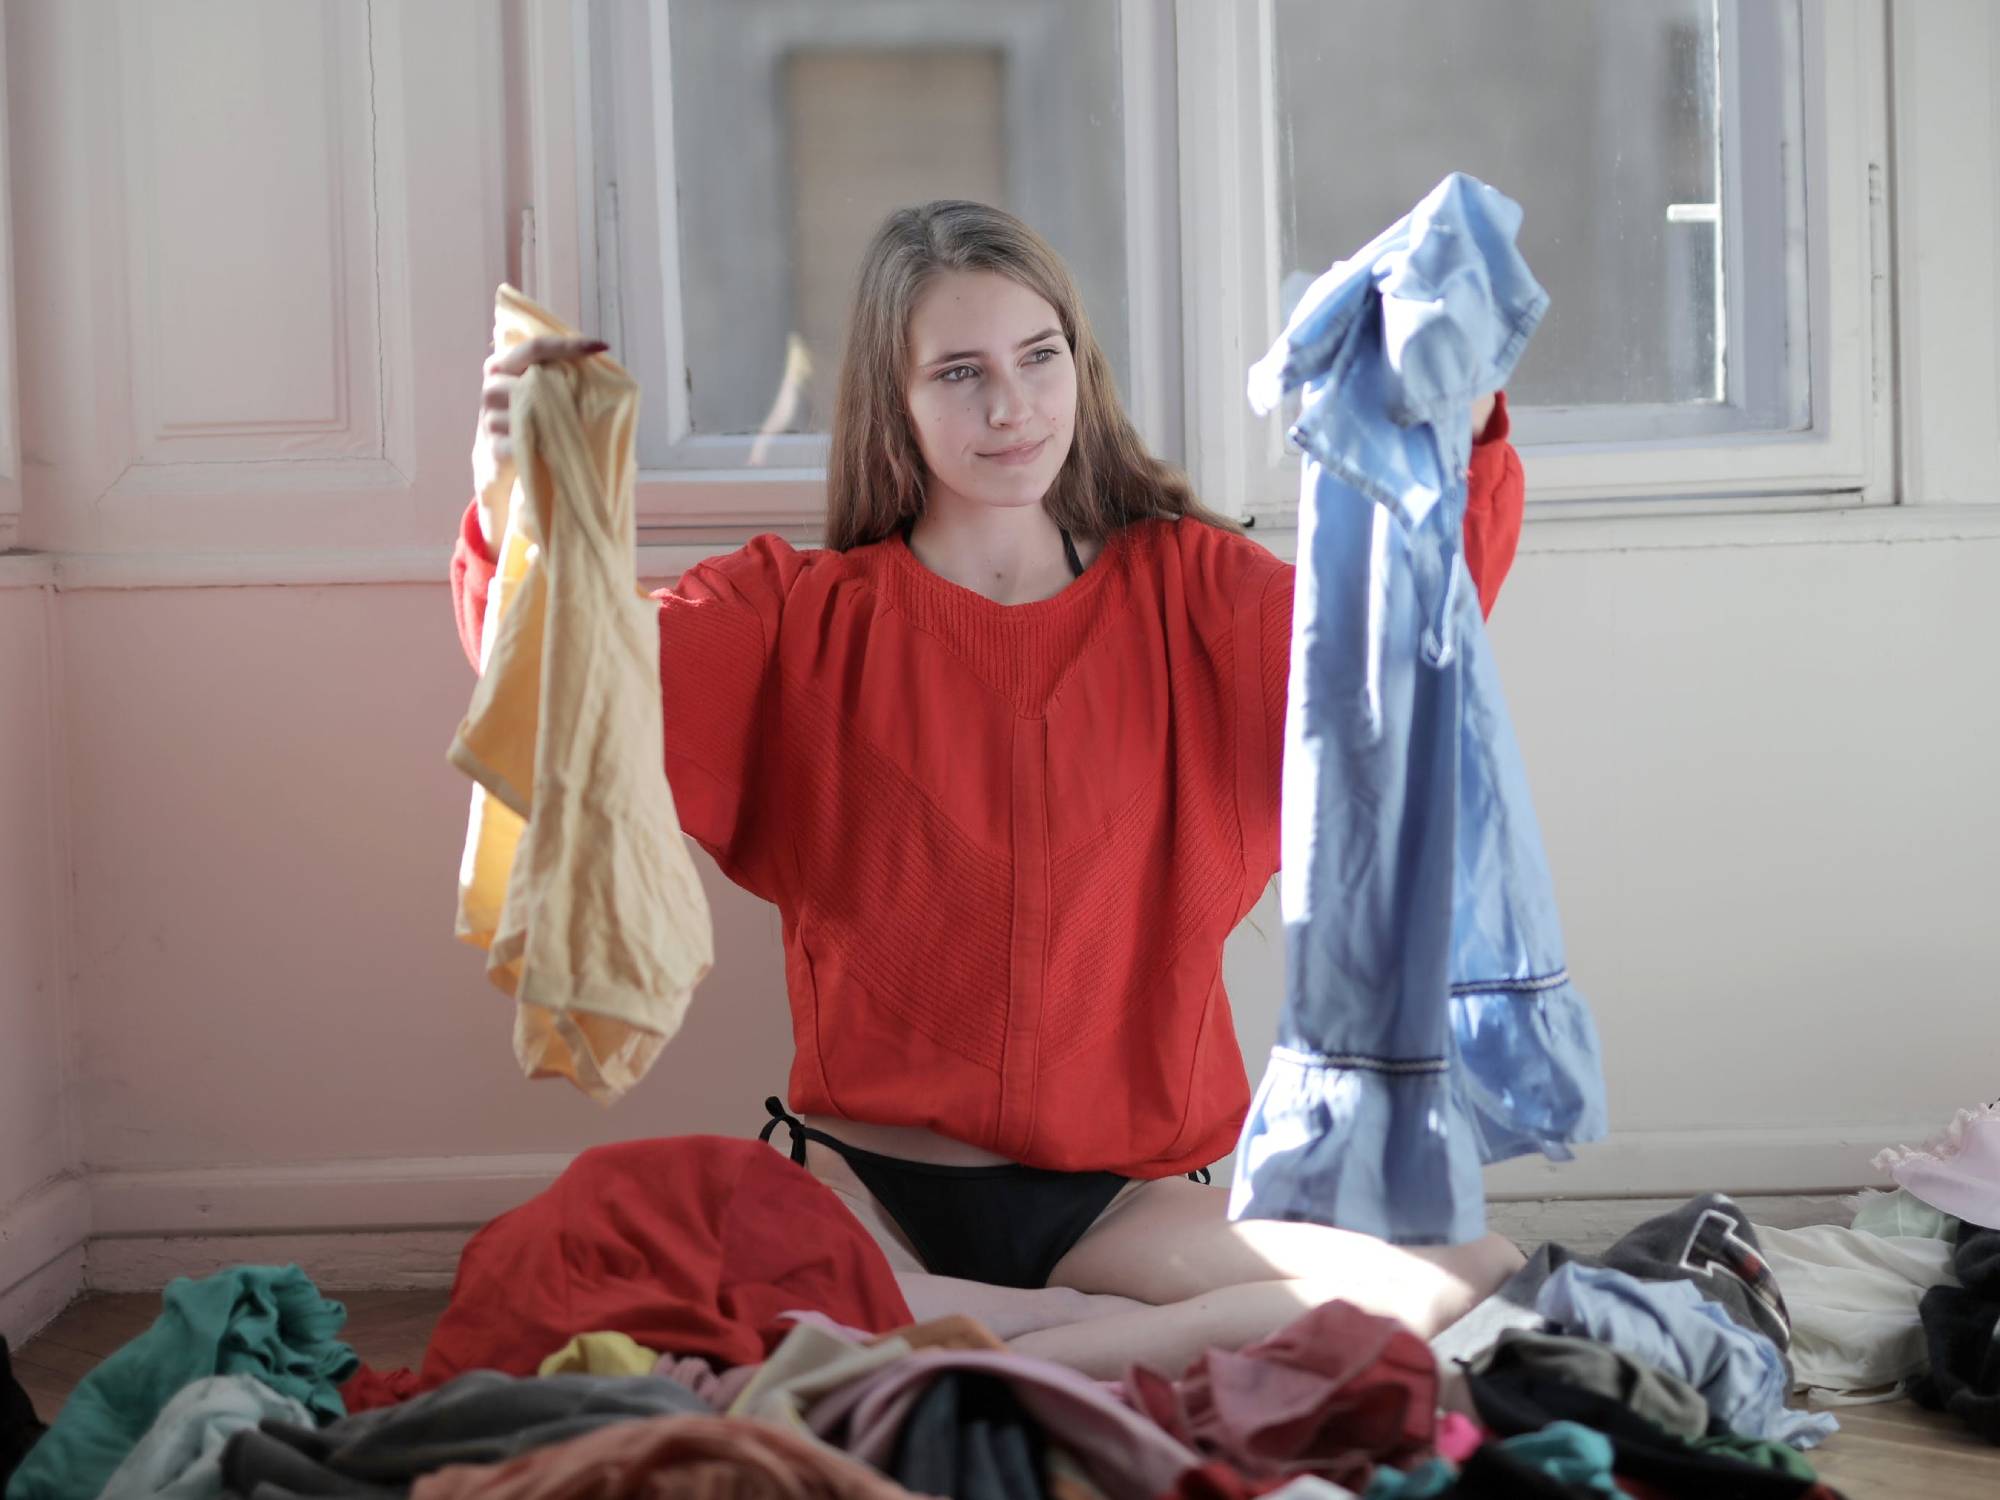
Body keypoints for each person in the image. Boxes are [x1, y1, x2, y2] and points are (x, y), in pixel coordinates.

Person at [453, 200, 1527, 1379]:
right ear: (894, 402)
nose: (1010, 407)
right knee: (596, 1273)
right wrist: (515, 493)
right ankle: (1059, 1341)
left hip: (1121, 1208)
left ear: (1079, 363)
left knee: (1469, 1269)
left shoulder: (1194, 589)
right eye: (959, 373)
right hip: (866, 1183)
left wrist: (1460, 422)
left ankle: (1016, 1333)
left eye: (1037, 358)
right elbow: (570, 681)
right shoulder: (793, 612)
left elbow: (1397, 648)